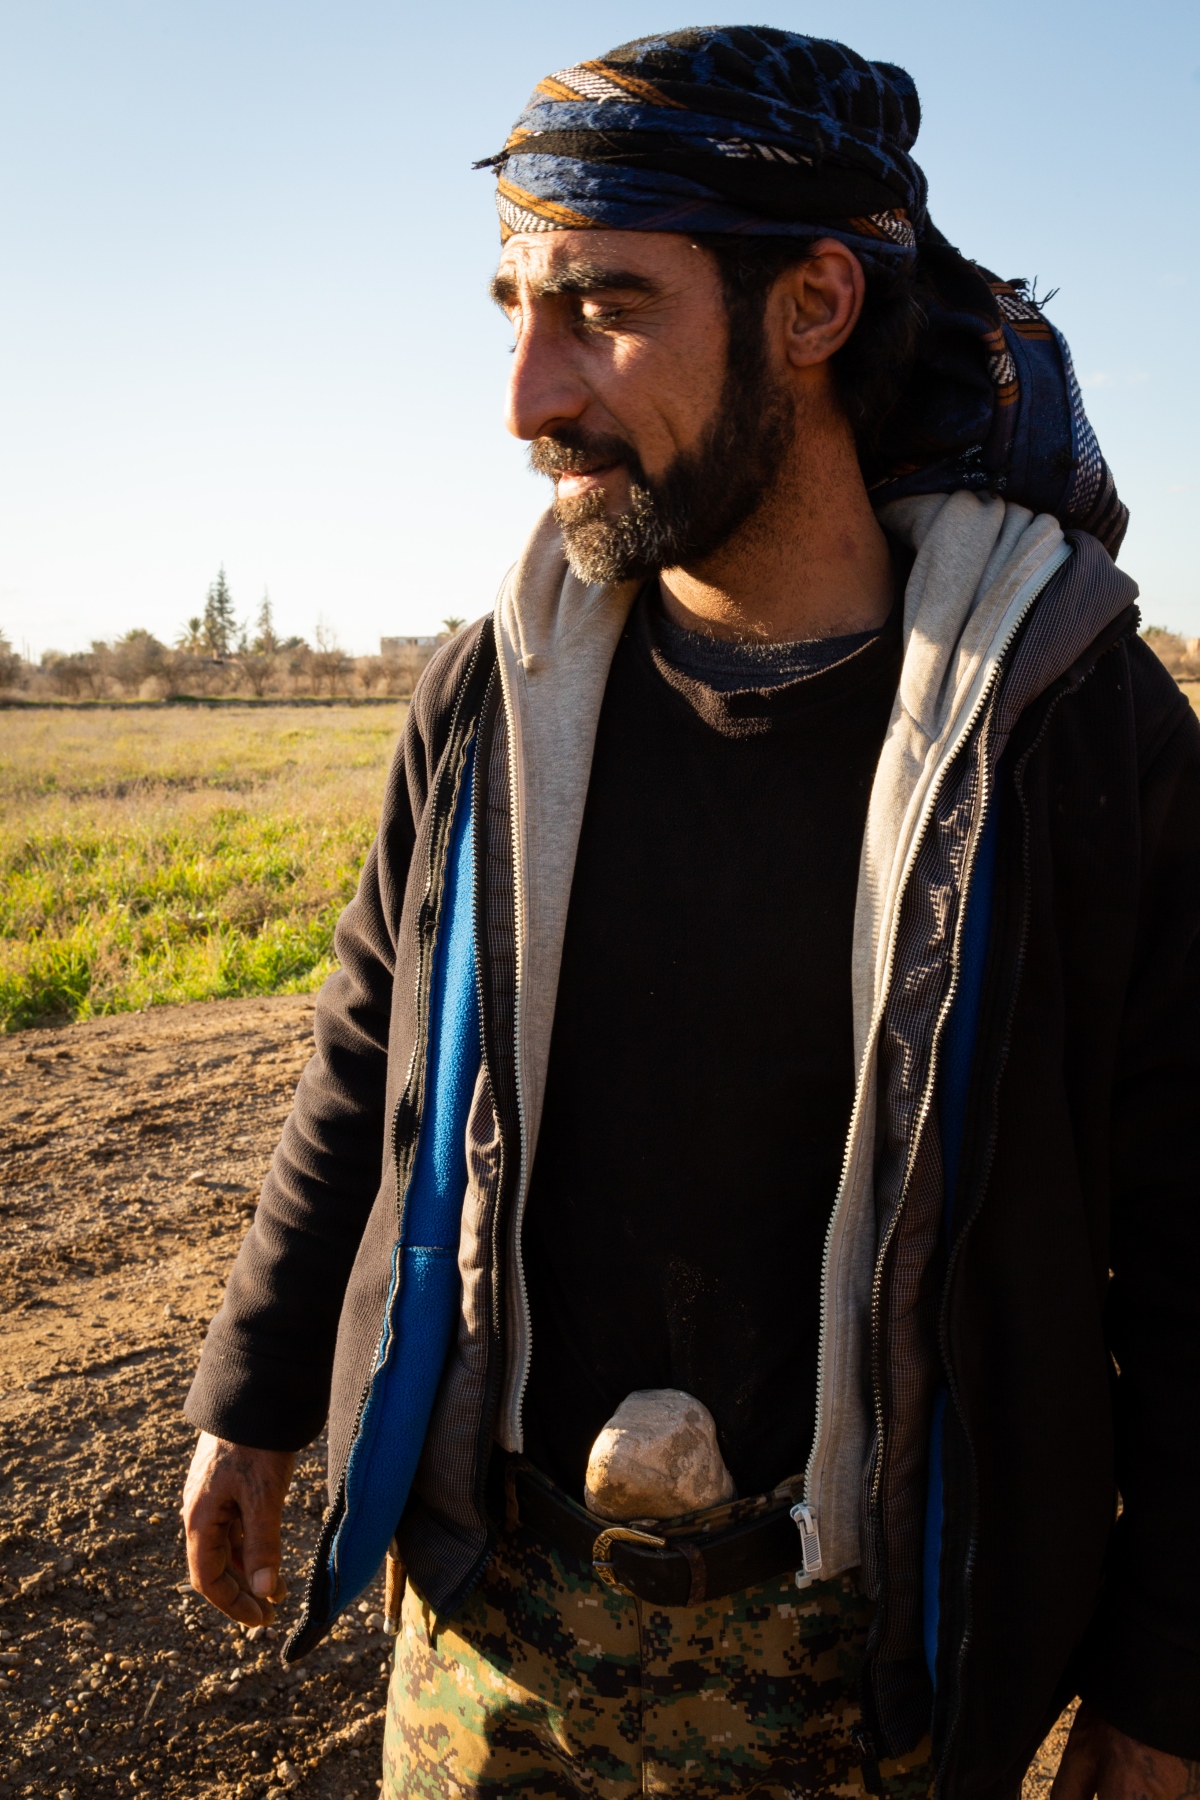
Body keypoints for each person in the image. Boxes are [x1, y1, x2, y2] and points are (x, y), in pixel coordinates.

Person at [181, 26, 1200, 1800]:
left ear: (811, 308)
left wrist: (1173, 1674)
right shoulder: (491, 696)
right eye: (511, 306)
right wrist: (254, 1390)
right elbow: (371, 1059)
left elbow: (1193, 1233)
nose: (528, 394)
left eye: (602, 309)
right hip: (493, 1633)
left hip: (869, 1675)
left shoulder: (1069, 728)